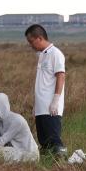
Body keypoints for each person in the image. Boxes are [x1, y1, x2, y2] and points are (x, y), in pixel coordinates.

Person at [25, 23, 67, 157]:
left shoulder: (56, 54)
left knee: (54, 140)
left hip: (51, 107)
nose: (31, 45)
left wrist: (55, 100)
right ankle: (47, 167)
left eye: (31, 42)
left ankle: (63, 166)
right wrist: (36, 105)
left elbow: (61, 76)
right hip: (41, 107)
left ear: (39, 38)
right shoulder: (42, 55)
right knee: (44, 141)